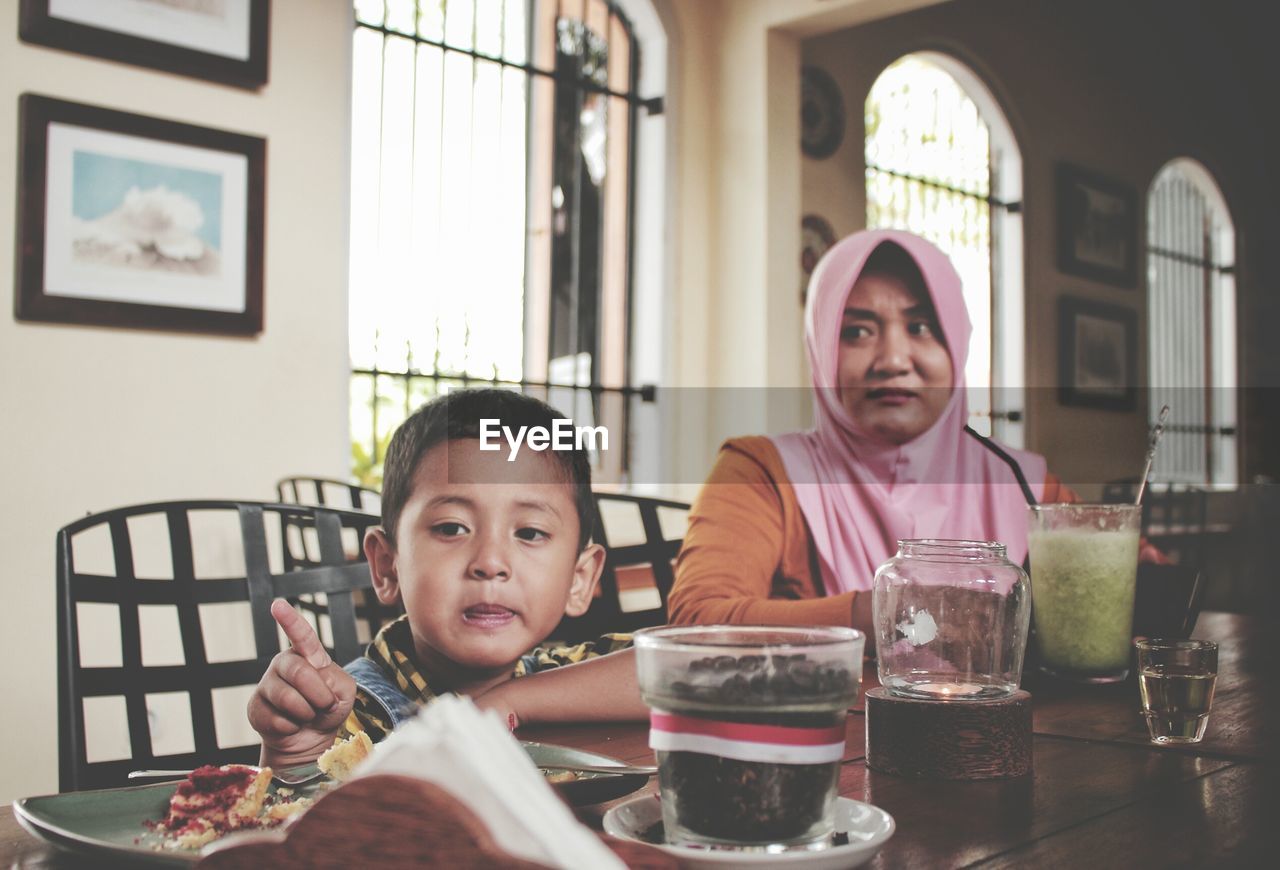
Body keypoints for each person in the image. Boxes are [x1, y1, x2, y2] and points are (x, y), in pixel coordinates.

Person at [668, 229, 1162, 635]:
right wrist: (894, 608)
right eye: (857, 331)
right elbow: (697, 621)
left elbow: (1136, 578)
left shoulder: (1022, 483)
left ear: (958, 345)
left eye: (922, 327)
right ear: (821, 349)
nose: (894, 360)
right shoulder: (763, 473)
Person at [247, 389, 646, 769]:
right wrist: (294, 760)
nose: (490, 562)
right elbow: (285, 829)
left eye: (529, 533)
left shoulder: (563, 672)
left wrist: (512, 700)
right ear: (387, 565)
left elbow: (701, 666)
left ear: (579, 579)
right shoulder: (346, 716)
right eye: (452, 528)